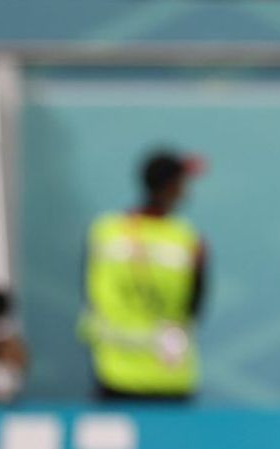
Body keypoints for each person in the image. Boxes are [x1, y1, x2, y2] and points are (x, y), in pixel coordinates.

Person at [80, 151, 208, 402]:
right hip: (171, 375)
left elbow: (88, 293)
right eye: (183, 184)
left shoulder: (105, 231)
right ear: (171, 187)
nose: (187, 192)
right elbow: (195, 306)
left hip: (113, 370)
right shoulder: (188, 240)